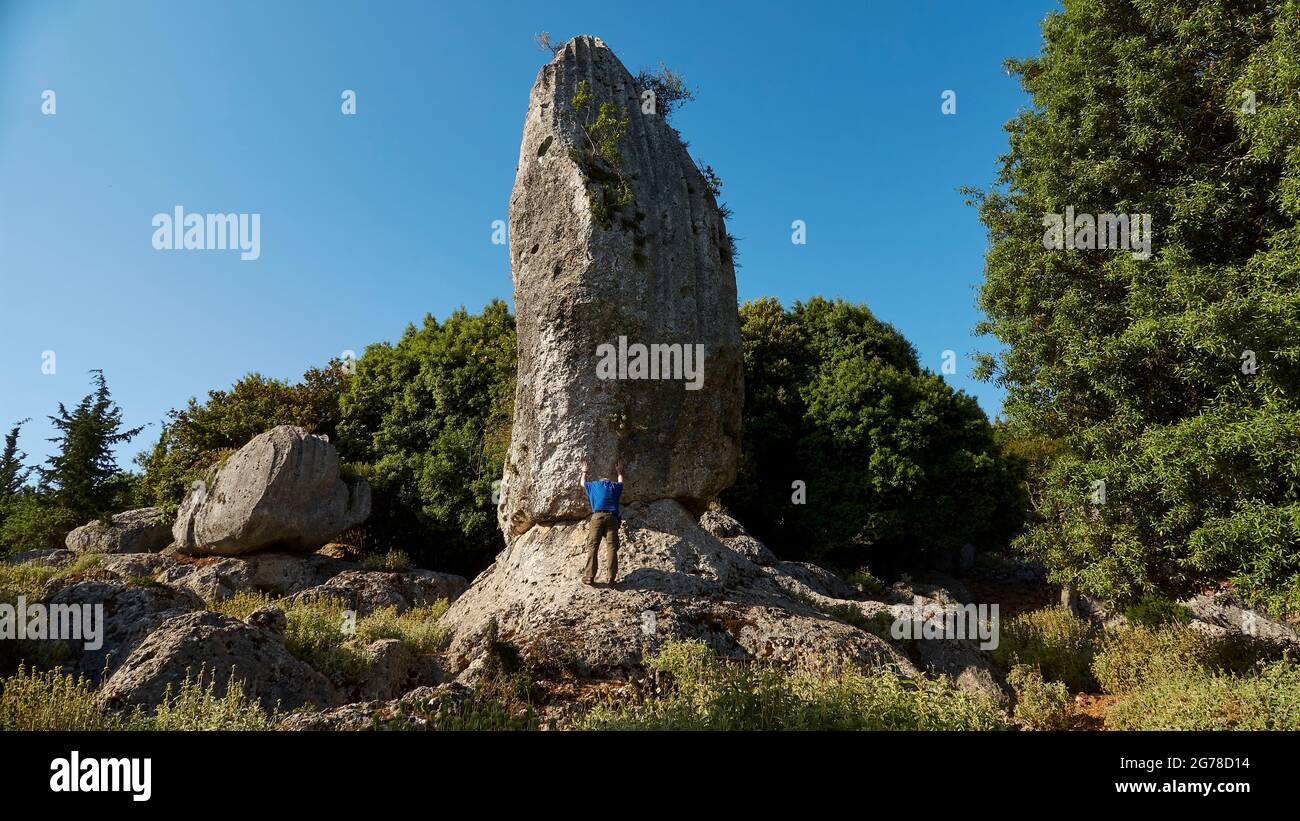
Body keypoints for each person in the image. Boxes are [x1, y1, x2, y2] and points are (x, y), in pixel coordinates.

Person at [579, 456, 624, 587]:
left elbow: (582, 483)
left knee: (593, 546)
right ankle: (611, 579)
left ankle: (589, 577)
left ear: (600, 481)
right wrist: (620, 471)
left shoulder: (594, 486)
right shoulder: (614, 487)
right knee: (612, 547)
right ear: (609, 482)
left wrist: (584, 471)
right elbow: (621, 482)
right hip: (612, 518)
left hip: (597, 517)